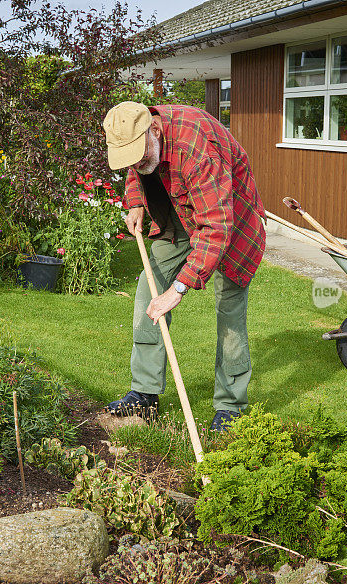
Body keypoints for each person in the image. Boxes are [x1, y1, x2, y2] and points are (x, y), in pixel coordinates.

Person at [102, 101, 266, 431]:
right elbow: (137, 170)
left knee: (230, 311)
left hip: (230, 219)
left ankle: (231, 405)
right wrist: (135, 203)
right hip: (179, 213)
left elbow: (216, 227)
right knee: (148, 293)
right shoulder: (140, 136)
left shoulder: (196, 147)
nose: (137, 163)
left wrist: (179, 288)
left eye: (142, 155)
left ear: (155, 131)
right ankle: (145, 394)